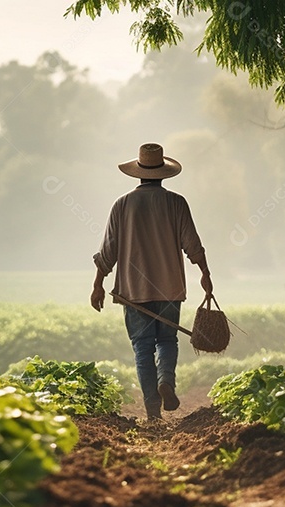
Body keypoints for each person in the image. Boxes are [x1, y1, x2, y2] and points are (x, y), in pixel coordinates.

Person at [90, 143, 213, 420]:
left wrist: (98, 283)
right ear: (163, 174)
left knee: (142, 347)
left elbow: (109, 249)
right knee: (167, 341)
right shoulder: (176, 203)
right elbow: (193, 245)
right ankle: (166, 381)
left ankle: (153, 414)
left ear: (138, 173)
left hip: (134, 291)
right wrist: (206, 273)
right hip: (170, 288)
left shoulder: (122, 204)